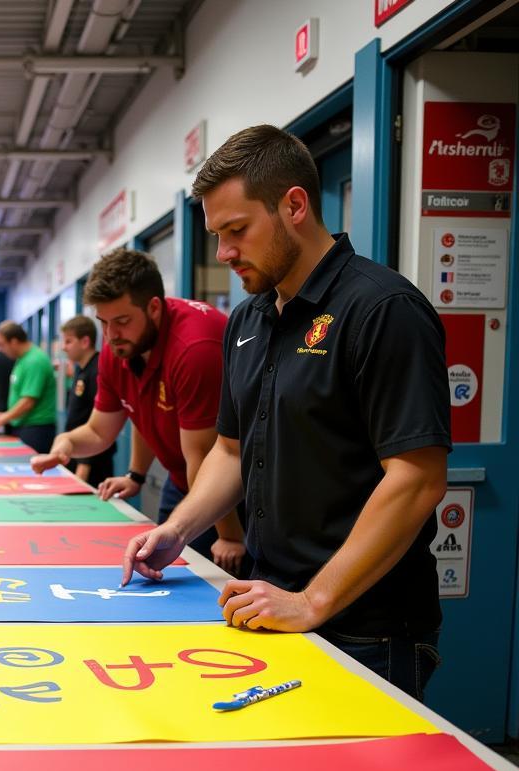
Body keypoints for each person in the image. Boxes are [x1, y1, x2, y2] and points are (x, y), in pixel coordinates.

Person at [121, 124, 450, 699]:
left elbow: (417, 477)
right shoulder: (249, 321)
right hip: (266, 606)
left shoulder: (382, 309)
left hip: (365, 631)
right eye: (217, 235)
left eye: (237, 231)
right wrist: (178, 527)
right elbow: (230, 449)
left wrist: (313, 600)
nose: (223, 254)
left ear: (294, 205)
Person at [32, 249, 246, 572]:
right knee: (160, 567)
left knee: (207, 584)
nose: (110, 335)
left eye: (121, 322)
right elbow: (104, 427)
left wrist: (230, 536)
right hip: (184, 478)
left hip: (234, 491)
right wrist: (69, 444)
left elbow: (208, 457)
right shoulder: (118, 349)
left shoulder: (194, 349)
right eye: (103, 323)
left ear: (154, 308)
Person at [59, 315, 116, 487]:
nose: (64, 347)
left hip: (93, 462)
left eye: (68, 342)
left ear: (85, 342)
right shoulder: (81, 369)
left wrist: (84, 466)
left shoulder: (97, 369)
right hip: (78, 453)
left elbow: (96, 421)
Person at [0, 321, 57, 453]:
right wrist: (4, 415)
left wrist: (3, 419)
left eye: (2, 345)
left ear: (14, 341)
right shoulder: (22, 359)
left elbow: (28, 401)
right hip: (25, 425)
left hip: (37, 429)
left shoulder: (34, 361)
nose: (1, 350)